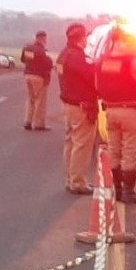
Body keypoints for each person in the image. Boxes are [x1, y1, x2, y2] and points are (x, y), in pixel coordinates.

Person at [94, 27, 136, 204]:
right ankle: (128, 192)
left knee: (114, 150)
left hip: (110, 111)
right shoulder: (135, 62)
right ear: (130, 44)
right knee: (130, 152)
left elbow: (97, 86)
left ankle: (117, 190)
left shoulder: (102, 61)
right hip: (131, 111)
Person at [56, 24, 96, 195]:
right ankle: (78, 182)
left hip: (68, 105)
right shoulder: (79, 58)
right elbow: (92, 78)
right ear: (81, 38)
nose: (86, 40)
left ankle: (70, 179)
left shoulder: (62, 55)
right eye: (85, 37)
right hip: (81, 107)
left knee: (71, 143)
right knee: (81, 145)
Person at [20, 30, 54, 131]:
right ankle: (39, 124)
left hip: (28, 75)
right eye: (45, 39)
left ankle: (27, 121)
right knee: (40, 101)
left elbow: (23, 60)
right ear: (42, 38)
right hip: (39, 77)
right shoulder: (41, 50)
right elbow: (47, 64)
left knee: (30, 99)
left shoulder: (27, 48)